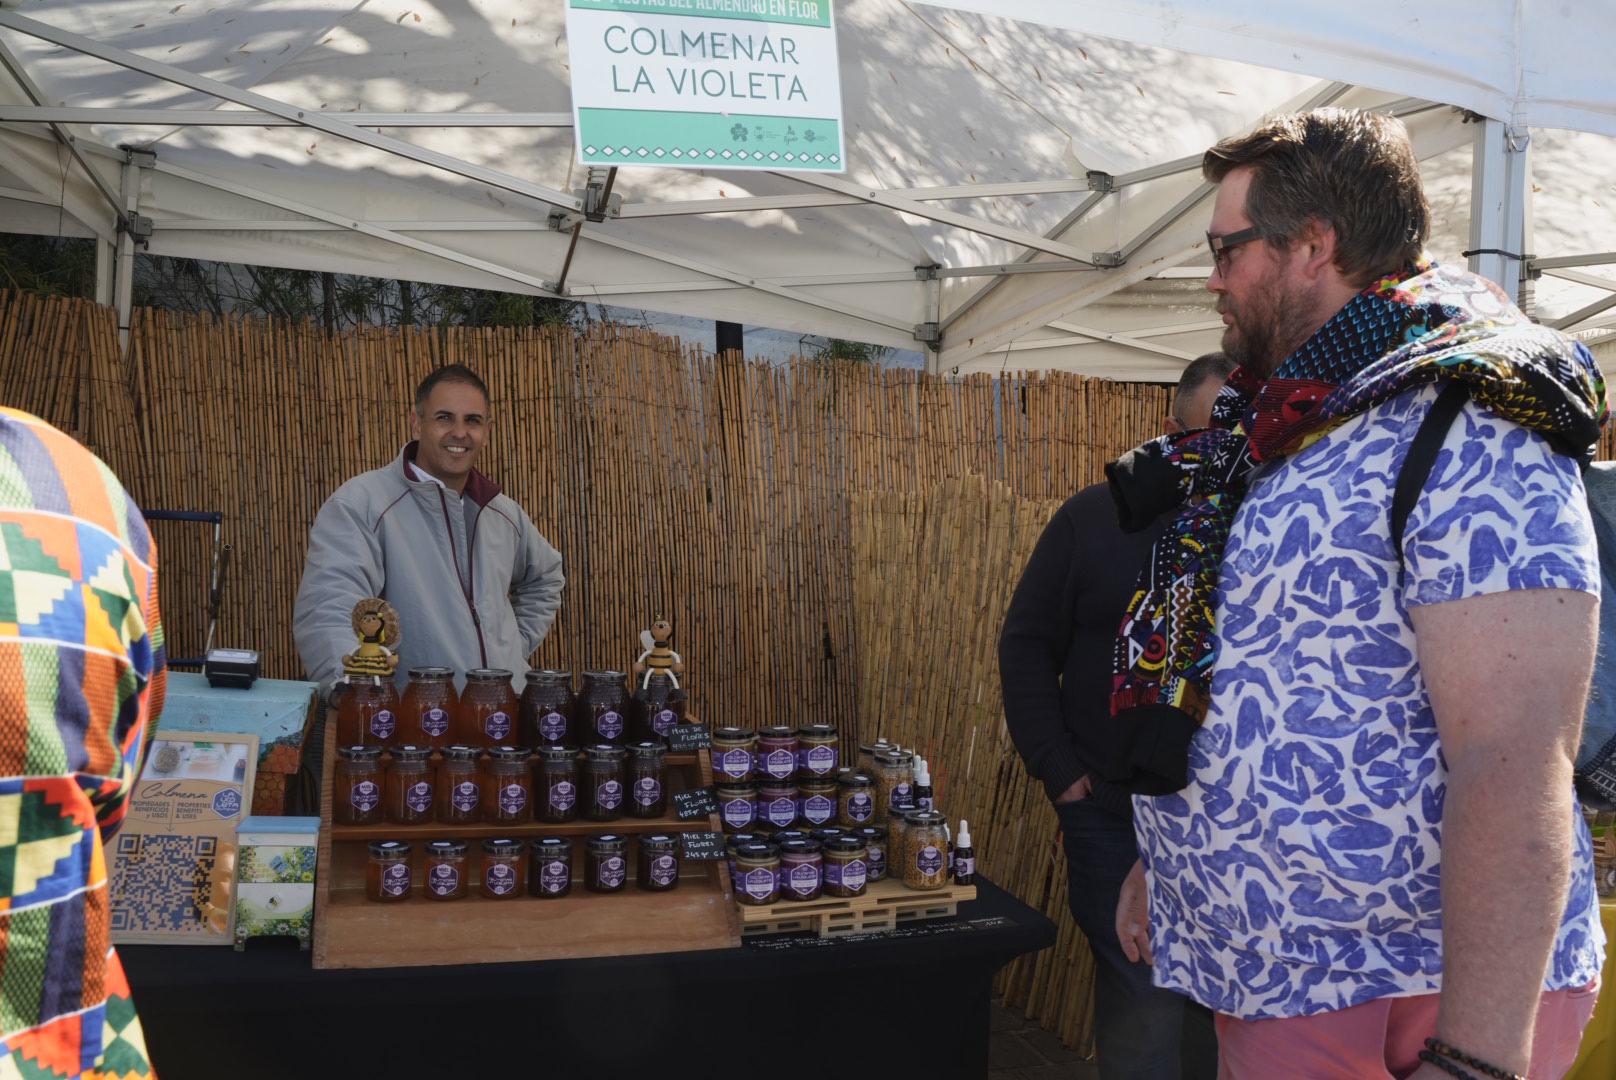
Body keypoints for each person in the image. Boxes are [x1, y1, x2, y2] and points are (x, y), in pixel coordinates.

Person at [1107, 109, 1608, 1080]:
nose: (1210, 277)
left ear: (1311, 246)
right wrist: (1170, 859)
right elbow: (1274, 675)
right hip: (1290, 979)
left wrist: (1474, 1057)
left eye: (1224, 248)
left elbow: (1513, 750)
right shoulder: (1305, 416)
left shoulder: (1470, 414)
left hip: (1410, 989)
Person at [999, 353, 1233, 1080]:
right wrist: (1063, 774)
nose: (1225, 456)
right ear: (1170, 430)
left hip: (1225, 817)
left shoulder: (1264, 515)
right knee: (1145, 1013)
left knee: (1221, 1015)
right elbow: (1027, 643)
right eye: (1207, 436)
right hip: (1107, 806)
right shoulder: (1093, 517)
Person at [0, 407, 163, 1077]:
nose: (460, 432)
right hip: (56, 1029)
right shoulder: (76, 486)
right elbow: (125, 758)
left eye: (474, 419)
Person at [293, 364, 565, 693]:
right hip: (412, 723)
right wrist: (354, 686)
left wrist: (508, 651)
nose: (460, 433)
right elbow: (329, 605)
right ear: (417, 423)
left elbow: (545, 578)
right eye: (444, 417)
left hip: (502, 717)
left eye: (473, 421)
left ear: (487, 431)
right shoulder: (362, 504)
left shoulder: (503, 512)